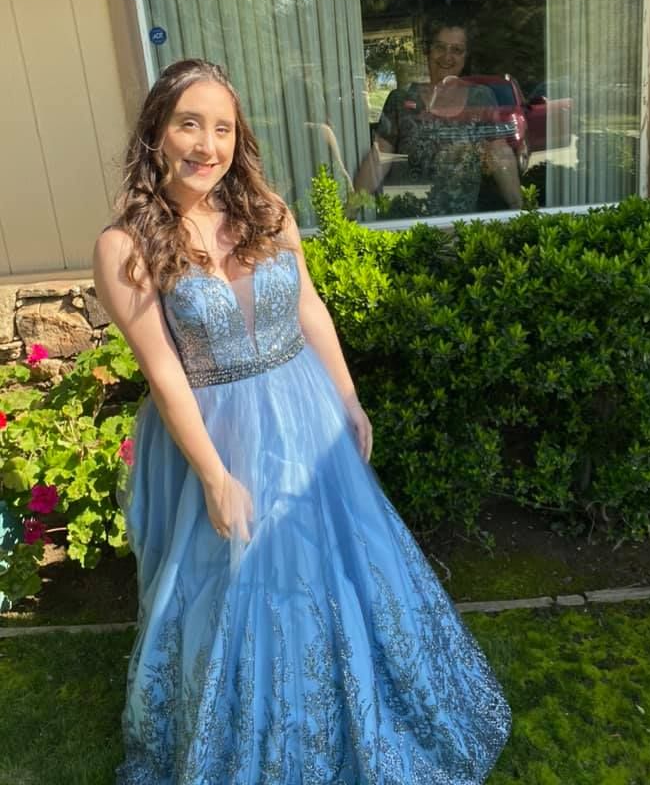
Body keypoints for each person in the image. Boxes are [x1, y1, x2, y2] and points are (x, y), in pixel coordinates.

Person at [94, 58, 511, 784]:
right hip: (218, 435)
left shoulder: (267, 210)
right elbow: (164, 374)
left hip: (306, 414)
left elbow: (310, 307)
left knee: (340, 571)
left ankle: (360, 709)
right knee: (240, 590)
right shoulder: (125, 245)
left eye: (222, 127)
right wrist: (216, 477)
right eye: (189, 123)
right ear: (157, 131)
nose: (207, 144)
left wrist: (348, 398)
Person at [355, 10, 523, 215]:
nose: (447, 56)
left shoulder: (481, 99)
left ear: (465, 55)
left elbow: (500, 153)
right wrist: (351, 209)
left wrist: (520, 208)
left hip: (461, 227)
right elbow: (379, 158)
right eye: (439, 47)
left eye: (457, 50)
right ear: (428, 50)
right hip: (407, 228)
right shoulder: (400, 100)